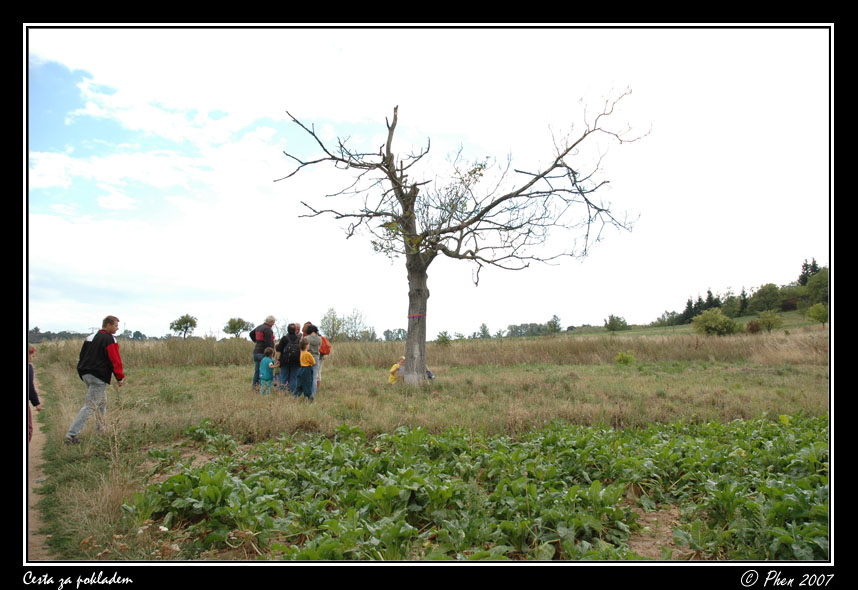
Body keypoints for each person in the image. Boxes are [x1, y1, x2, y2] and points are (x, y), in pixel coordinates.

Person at [65, 315, 125, 444]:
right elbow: (115, 359)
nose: (117, 328)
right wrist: (119, 377)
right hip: (98, 376)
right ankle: (71, 435)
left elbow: (82, 356)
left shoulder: (90, 337)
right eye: (115, 325)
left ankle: (101, 430)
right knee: (90, 405)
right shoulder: (109, 339)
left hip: (85, 374)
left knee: (102, 402)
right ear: (108, 325)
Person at [251, 315, 276, 391]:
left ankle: (255, 387)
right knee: (264, 371)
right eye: (273, 322)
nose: (273, 324)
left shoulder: (259, 327)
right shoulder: (268, 329)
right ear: (270, 321)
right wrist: (271, 352)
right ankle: (263, 388)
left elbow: (251, 334)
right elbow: (269, 342)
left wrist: (257, 341)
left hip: (256, 352)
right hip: (263, 353)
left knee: (257, 371)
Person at [276, 323, 302, 393]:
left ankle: (283, 392)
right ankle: (293, 393)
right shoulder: (299, 339)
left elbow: (279, 350)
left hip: (285, 361)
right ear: (295, 330)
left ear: (287, 330)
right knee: (294, 378)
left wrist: (278, 360)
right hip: (296, 362)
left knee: (284, 377)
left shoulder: (284, 338)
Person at [28, 345, 42, 444]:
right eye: (32, 356)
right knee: (28, 429)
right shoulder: (28, 368)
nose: (33, 358)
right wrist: (36, 402)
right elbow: (29, 387)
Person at [304, 324, 323, 396]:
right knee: (314, 376)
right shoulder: (319, 338)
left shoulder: (306, 338)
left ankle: (307, 392)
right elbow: (320, 347)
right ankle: (314, 392)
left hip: (308, 357)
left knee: (307, 376)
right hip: (316, 357)